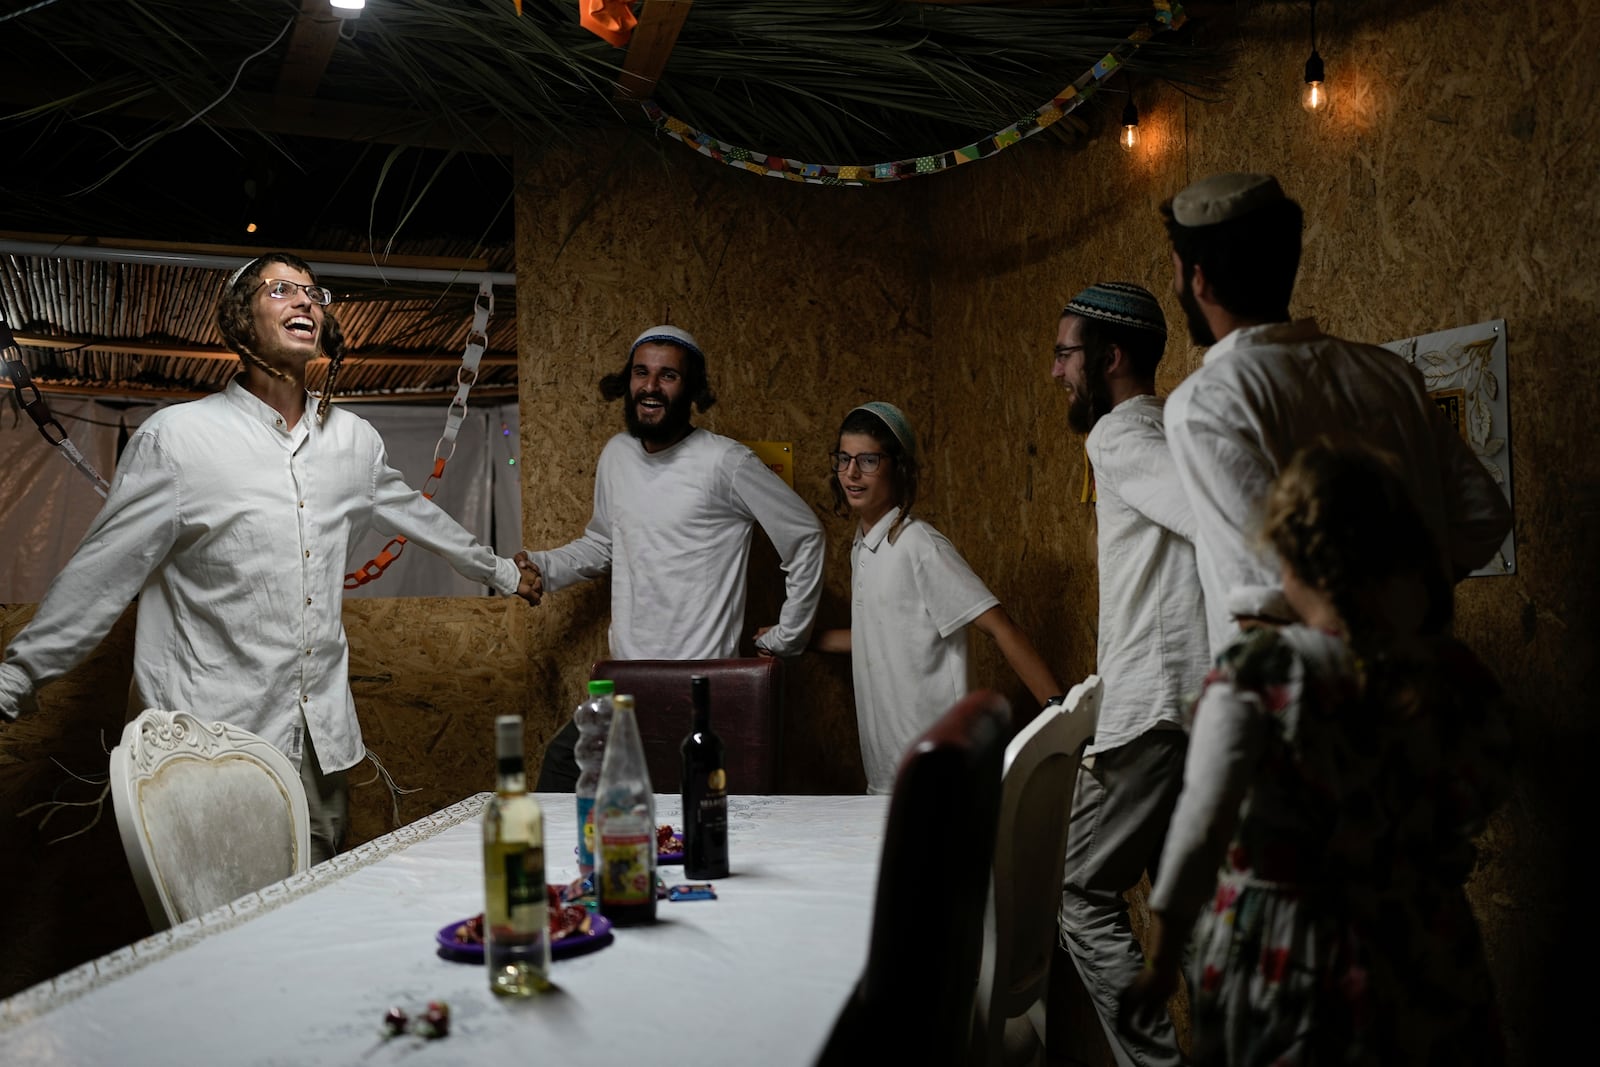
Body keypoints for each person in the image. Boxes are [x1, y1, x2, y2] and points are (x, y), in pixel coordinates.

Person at [0, 254, 542, 862]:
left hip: (319, 750)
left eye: (314, 293)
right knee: (214, 933)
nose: (305, 300)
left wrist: (502, 573)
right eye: (281, 289)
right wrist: (14, 680)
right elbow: (99, 576)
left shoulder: (354, 441)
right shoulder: (178, 440)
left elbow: (420, 517)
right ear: (239, 318)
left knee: (310, 927)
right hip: (209, 747)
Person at [1121, 439, 1512, 1066]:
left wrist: (1162, 960)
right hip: (1424, 945)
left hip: (1290, 956)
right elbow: (1481, 790)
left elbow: (1198, 830)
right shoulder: (1451, 672)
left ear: (1289, 559)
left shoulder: (1261, 675)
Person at [1160, 172, 1512, 657]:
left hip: (1304, 715)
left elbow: (1261, 600)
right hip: (1421, 693)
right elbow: (1482, 517)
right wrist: (1400, 604)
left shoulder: (1204, 404)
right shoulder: (1389, 374)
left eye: (1176, 269)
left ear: (1198, 280)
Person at [519, 325, 824, 788]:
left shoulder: (725, 461)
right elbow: (604, 543)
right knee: (561, 775)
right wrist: (543, 565)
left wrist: (790, 635)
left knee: (687, 821)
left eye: (668, 376)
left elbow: (804, 536)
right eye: (641, 373)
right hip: (628, 685)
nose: (651, 387)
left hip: (705, 690)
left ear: (692, 389)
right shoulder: (617, 456)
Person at [1050, 282, 1207, 1067]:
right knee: (1202, 909)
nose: (1056, 372)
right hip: (1198, 713)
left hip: (1149, 713)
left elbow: (1215, 513)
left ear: (1109, 358)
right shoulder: (1184, 423)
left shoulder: (1116, 437)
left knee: (1077, 893)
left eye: (1065, 353)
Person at [809, 402, 1064, 793]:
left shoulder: (919, 544)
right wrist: (798, 639)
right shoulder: (863, 547)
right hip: (887, 777)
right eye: (844, 459)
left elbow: (1000, 626)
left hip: (943, 777)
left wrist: (1060, 717)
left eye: (869, 460)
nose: (851, 473)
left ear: (898, 466)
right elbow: (878, 634)